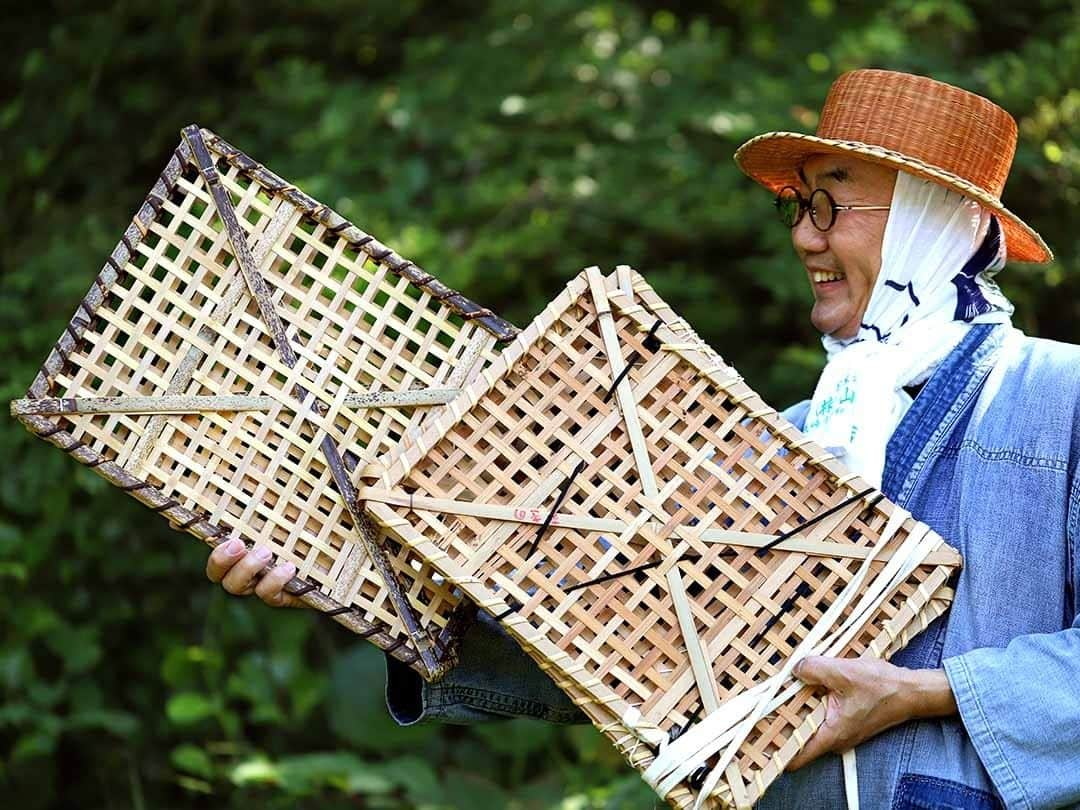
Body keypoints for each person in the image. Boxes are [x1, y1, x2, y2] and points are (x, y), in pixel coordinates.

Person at [206, 69, 1080, 809]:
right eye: (799, 209)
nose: (806, 237)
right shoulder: (798, 435)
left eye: (831, 206)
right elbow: (624, 647)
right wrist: (361, 594)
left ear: (938, 222)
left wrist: (921, 696)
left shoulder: (1062, 396)